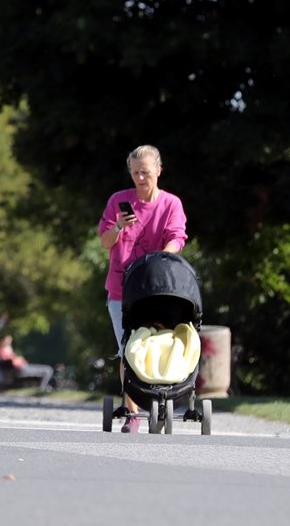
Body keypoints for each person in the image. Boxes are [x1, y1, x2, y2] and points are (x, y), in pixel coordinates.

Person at [98, 144, 187, 433]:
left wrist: (165, 257)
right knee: (128, 350)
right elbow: (105, 241)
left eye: (145, 172)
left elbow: (176, 236)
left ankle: (162, 399)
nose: (140, 178)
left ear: (158, 171)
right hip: (121, 289)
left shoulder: (170, 203)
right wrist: (119, 227)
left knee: (157, 345)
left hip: (157, 287)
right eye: (135, 173)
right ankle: (132, 412)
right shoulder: (118, 201)